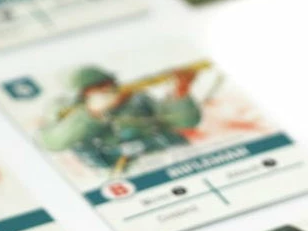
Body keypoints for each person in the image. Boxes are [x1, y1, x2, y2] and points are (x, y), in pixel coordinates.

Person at [39, 65, 201, 172]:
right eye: (97, 87)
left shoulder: (136, 99)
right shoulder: (63, 109)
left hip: (168, 156)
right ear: (82, 93)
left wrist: (180, 93)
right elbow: (52, 142)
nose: (107, 89)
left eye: (108, 83)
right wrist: (91, 113)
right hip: (119, 170)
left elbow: (185, 123)